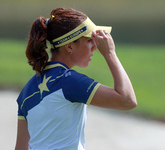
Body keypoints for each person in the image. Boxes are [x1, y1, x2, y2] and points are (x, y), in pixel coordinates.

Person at [15, 8, 137, 150]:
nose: (95, 47)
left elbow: (20, 148)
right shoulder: (69, 81)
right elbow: (127, 101)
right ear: (69, 46)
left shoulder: (27, 90)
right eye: (90, 40)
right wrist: (110, 54)